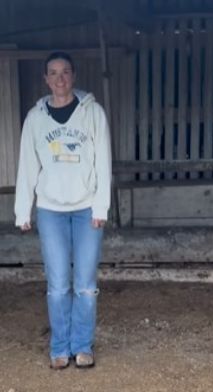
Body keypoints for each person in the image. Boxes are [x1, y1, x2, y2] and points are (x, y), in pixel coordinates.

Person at [14, 51, 112, 370]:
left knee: (85, 285)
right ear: (46, 79)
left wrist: (101, 207)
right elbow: (28, 166)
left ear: (74, 76)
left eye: (65, 72)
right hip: (50, 210)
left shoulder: (93, 113)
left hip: (86, 210)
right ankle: (60, 347)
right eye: (53, 73)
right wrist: (22, 210)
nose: (60, 79)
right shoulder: (35, 118)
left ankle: (82, 346)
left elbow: (102, 161)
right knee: (58, 286)